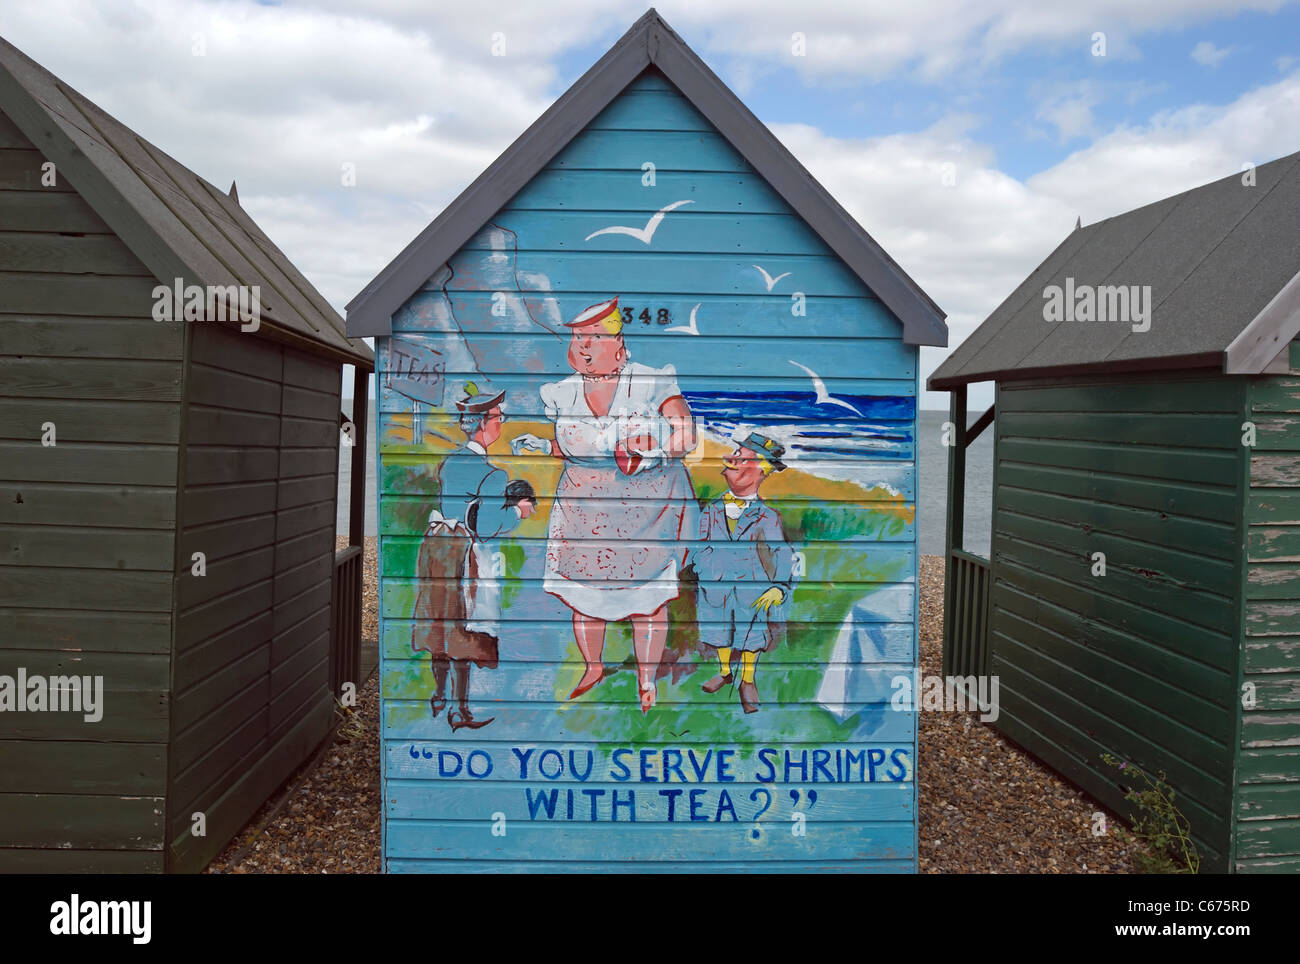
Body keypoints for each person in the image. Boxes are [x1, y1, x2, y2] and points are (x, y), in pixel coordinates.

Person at [512, 297, 697, 713]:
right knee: (584, 597)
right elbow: (577, 446)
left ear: (618, 342)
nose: (582, 346)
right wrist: (545, 445)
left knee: (648, 600)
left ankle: (646, 682)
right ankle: (593, 667)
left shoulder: (651, 382)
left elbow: (686, 435)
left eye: (593, 337)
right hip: (583, 511)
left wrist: (657, 452)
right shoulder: (561, 392)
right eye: (577, 337)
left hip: (645, 513)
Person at [412, 382, 535, 730]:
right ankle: (459, 710)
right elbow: (488, 524)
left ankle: (438, 695)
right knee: (465, 631)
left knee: (441, 622)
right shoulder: (493, 474)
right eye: (497, 417)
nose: (501, 422)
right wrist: (519, 513)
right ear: (482, 423)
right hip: (467, 555)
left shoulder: (452, 462)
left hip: (439, 549)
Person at [690, 432, 794, 714]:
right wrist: (706, 569)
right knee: (718, 631)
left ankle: (747, 680)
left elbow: (782, 553)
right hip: (716, 585)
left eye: (743, 458)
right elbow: (698, 544)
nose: (733, 462)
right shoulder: (711, 510)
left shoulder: (768, 516)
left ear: (761, 470)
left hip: (752, 589)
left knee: (750, 636)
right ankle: (724, 673)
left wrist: (780, 587)